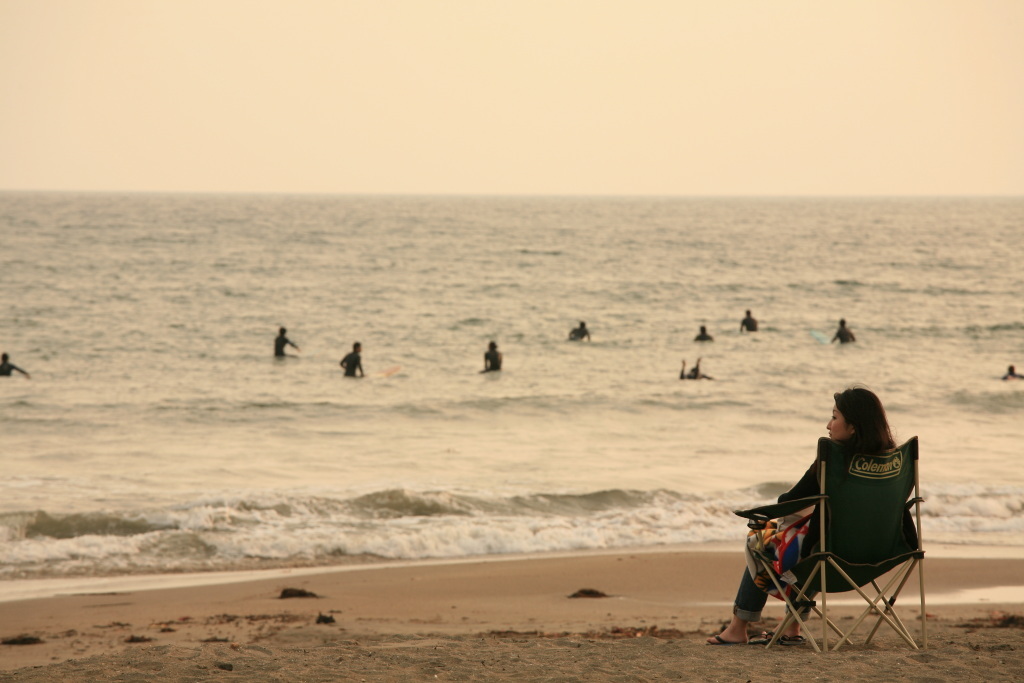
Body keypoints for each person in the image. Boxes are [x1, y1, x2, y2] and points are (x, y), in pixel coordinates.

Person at [707, 386, 900, 646]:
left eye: (834, 417)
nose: (828, 425)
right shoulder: (893, 462)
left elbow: (788, 502)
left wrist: (767, 515)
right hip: (880, 555)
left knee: (761, 539)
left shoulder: (832, 458)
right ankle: (791, 627)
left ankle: (738, 627)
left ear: (852, 427)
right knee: (817, 539)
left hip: (829, 558)